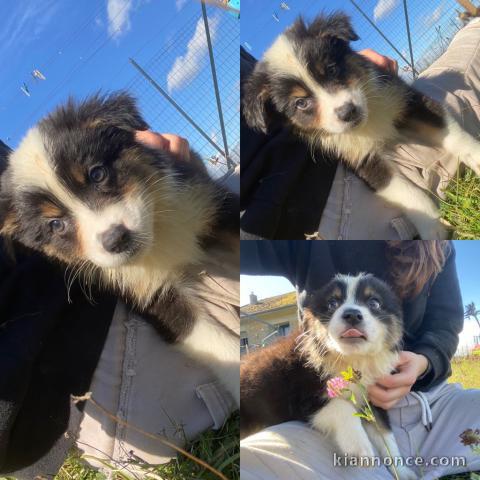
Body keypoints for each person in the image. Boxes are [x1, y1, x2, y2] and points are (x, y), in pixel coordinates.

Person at [0, 132, 238, 479]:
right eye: (56, 223)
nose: (106, 228)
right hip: (88, 381)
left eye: (98, 175)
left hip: (65, 409)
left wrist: (170, 170)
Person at [239, 240, 480, 480]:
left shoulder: (438, 246)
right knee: (252, 462)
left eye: (373, 303)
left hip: (434, 408)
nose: (352, 313)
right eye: (333, 303)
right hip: (314, 432)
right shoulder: (304, 362)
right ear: (312, 322)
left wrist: (425, 360)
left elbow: (445, 324)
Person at [240, 19, 480, 240]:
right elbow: (369, 166)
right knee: (471, 50)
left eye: (332, 71)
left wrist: (469, 148)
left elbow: (416, 106)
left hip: (311, 196)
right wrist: (423, 214)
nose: (341, 105)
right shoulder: (268, 97)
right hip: (318, 200)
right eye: (301, 103)